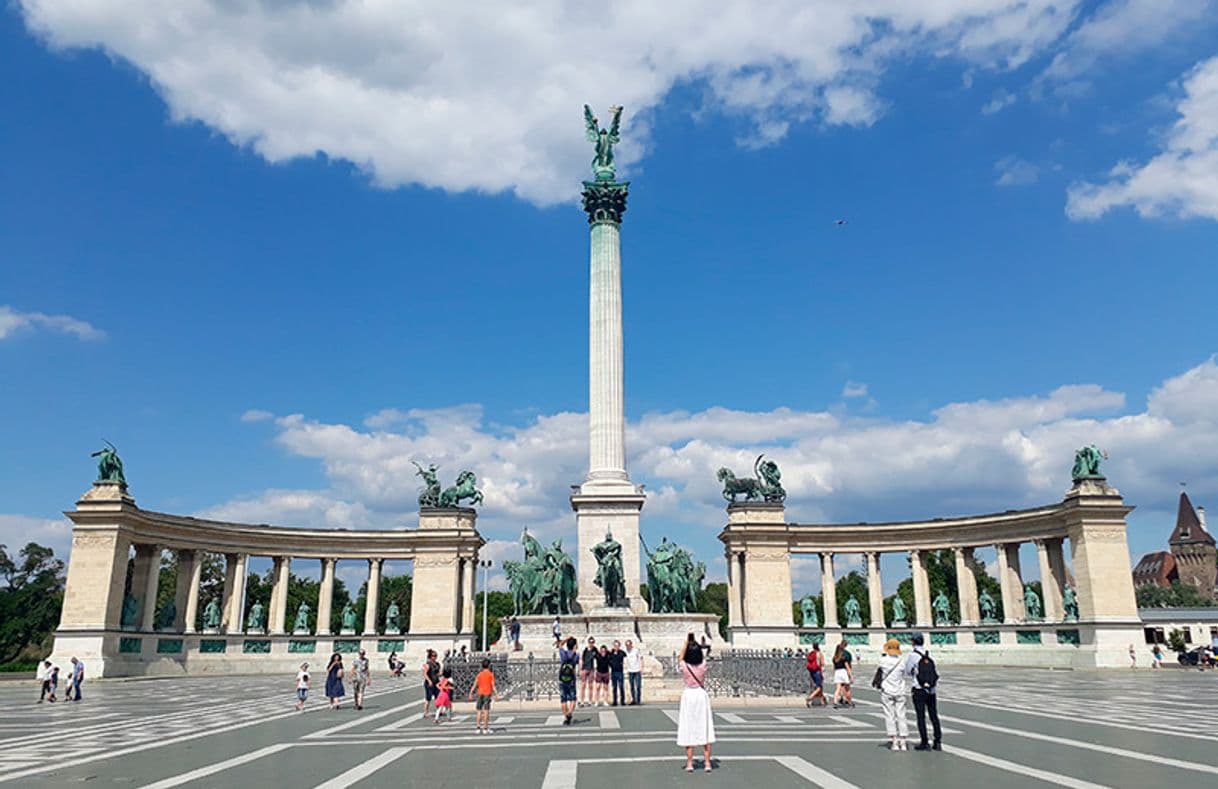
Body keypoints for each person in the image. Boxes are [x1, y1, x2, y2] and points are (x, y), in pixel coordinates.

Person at [677, 633, 716, 773]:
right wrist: (697, 645)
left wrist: (686, 643)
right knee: (704, 727)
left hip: (689, 695)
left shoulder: (684, 665)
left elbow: (680, 657)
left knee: (689, 727)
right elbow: (703, 657)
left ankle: (689, 763)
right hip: (700, 694)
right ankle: (707, 763)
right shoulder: (703, 664)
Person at [906, 633, 941, 751]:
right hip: (931, 689)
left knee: (920, 716)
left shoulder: (913, 655)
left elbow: (908, 671)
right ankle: (938, 741)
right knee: (934, 715)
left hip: (919, 688)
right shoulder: (928, 653)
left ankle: (924, 742)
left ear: (913, 642)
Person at [876, 639, 909, 751]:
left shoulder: (883, 660)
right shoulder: (902, 661)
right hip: (900, 691)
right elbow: (905, 674)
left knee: (889, 715)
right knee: (901, 715)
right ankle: (903, 741)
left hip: (887, 691)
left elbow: (880, 669)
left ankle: (894, 741)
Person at [468, 658, 498, 734]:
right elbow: (493, 685)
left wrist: (471, 693)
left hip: (480, 693)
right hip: (487, 693)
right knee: (486, 710)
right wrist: (496, 694)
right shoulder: (490, 674)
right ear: (488, 665)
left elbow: (475, 684)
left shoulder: (479, 674)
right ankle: (485, 727)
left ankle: (478, 727)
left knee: (479, 710)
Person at [558, 636, 580, 725]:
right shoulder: (576, 655)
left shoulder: (563, 654)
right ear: (574, 646)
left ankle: (565, 716)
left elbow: (560, 644)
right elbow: (577, 664)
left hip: (562, 679)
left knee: (563, 700)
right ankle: (570, 712)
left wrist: (567, 638)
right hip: (571, 680)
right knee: (573, 698)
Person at [831, 640, 854, 708]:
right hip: (843, 672)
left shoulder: (835, 658)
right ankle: (849, 701)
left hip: (837, 672)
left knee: (838, 689)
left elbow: (834, 667)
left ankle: (835, 701)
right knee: (847, 689)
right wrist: (851, 676)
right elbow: (847, 667)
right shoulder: (844, 657)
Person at [422, 649, 441, 717]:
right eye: (433, 656)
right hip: (429, 684)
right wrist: (429, 681)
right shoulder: (427, 664)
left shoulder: (437, 664)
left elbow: (437, 673)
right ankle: (425, 712)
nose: (435, 657)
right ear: (430, 657)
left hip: (436, 683)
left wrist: (441, 674)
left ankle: (438, 710)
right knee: (428, 698)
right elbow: (424, 674)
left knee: (438, 697)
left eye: (436, 655)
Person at [579, 637, 597, 707]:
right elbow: (581, 660)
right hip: (585, 669)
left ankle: (590, 700)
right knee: (583, 685)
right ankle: (582, 701)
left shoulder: (595, 650)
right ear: (588, 642)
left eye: (592, 642)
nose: (591, 643)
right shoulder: (585, 650)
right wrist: (580, 670)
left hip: (591, 669)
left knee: (590, 686)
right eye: (590, 642)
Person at [624, 638, 643, 705]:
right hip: (630, 670)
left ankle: (638, 700)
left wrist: (641, 668)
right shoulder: (625, 651)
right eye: (626, 645)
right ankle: (633, 699)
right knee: (631, 686)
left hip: (637, 670)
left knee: (638, 686)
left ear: (631, 645)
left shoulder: (636, 650)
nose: (628, 646)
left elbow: (641, 658)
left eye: (629, 645)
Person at [608, 640, 626, 706]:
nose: (616, 647)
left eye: (617, 646)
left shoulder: (622, 653)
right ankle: (615, 701)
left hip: (620, 671)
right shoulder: (611, 653)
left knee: (621, 687)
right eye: (615, 646)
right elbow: (608, 660)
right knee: (614, 687)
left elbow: (625, 658)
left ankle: (622, 701)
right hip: (613, 672)